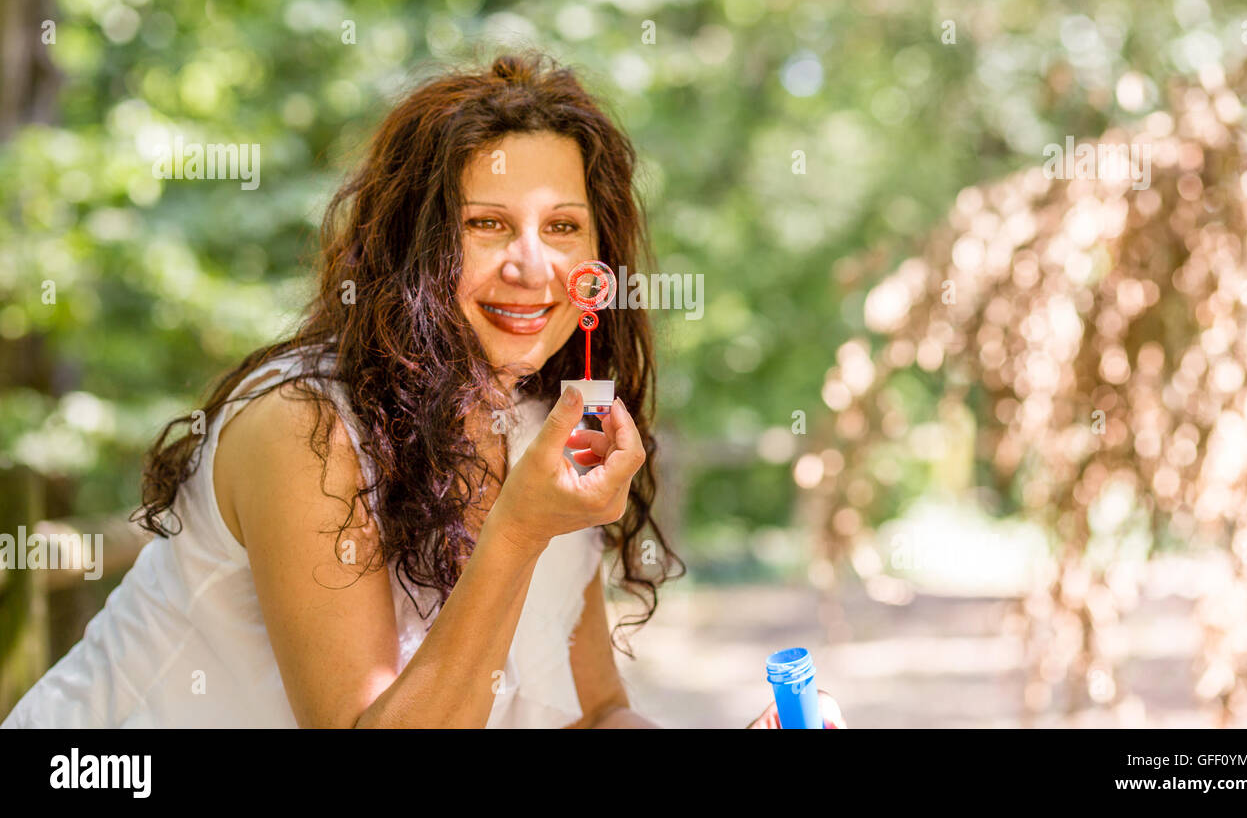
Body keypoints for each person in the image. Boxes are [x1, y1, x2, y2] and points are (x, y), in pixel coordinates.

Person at [2, 51, 844, 729]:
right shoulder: (304, 426)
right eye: (485, 225)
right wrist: (518, 529)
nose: (531, 264)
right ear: (412, 249)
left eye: (562, 226)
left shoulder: (547, 420)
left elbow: (597, 715)